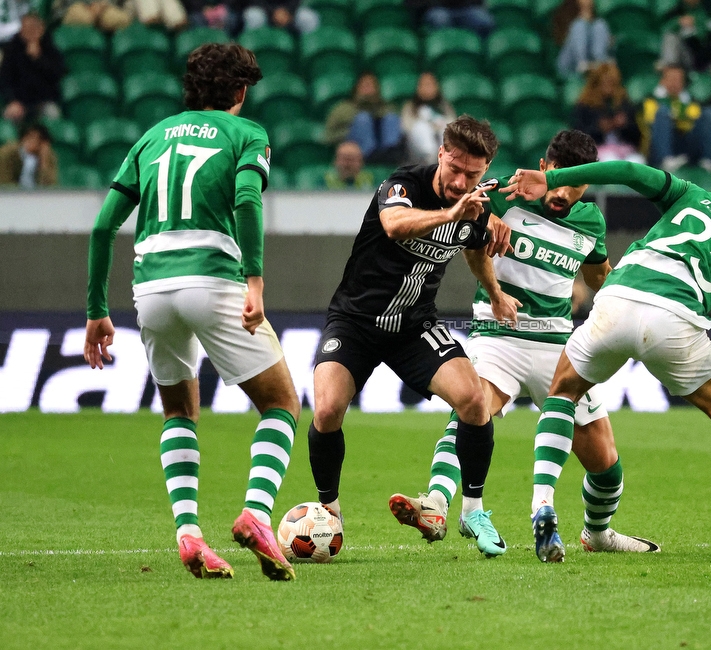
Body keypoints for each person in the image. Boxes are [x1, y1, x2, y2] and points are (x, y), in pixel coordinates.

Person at [503, 161, 711, 563]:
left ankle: (542, 500)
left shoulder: (696, 196)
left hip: (618, 296)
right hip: (674, 321)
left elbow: (628, 171)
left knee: (564, 392)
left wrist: (552, 178)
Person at [84, 43, 302, 581]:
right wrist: (254, 279)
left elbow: (101, 227)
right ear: (239, 92)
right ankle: (256, 513)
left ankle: (188, 533)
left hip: (151, 289)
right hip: (213, 281)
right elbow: (248, 200)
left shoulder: (151, 136)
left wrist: (95, 309)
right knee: (281, 404)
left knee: (179, 411)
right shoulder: (247, 133)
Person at [387, 130, 660, 560]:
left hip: (558, 345)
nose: (565, 191)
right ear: (544, 166)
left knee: (607, 465)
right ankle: (437, 503)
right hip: (500, 337)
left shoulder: (590, 220)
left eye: (578, 183)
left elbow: (596, 274)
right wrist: (479, 220)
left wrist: (622, 284)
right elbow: (454, 213)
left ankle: (598, 533)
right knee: (474, 408)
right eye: (559, 178)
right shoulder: (503, 195)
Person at [307, 116, 516, 559]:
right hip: (355, 320)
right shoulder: (402, 185)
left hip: (414, 325)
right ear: (441, 153)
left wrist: (496, 294)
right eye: (455, 168)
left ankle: (472, 511)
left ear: (485, 169)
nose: (461, 182)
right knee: (326, 409)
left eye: (472, 175)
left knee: (474, 400)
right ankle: (329, 513)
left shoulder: (477, 207)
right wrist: (452, 213)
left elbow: (477, 251)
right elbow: (396, 226)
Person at [642, 63, 711, 173]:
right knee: (662, 113)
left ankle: (707, 160)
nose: (675, 82)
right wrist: (678, 117)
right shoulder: (652, 99)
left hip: (686, 142)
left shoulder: (689, 100)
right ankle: (667, 160)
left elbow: (694, 117)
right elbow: (650, 120)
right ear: (663, 80)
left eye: (678, 79)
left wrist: (678, 117)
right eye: (671, 78)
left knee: (709, 113)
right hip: (663, 143)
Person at [324, 71, 403, 164]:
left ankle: (391, 153)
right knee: (363, 118)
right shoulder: (343, 109)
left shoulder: (387, 108)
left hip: (385, 150)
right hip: (355, 150)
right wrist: (348, 132)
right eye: (364, 85)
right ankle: (370, 154)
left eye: (371, 85)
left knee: (391, 117)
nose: (368, 89)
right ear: (356, 88)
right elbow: (328, 136)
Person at [572, 62, 644, 163]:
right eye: (604, 83)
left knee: (637, 161)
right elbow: (578, 137)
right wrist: (599, 129)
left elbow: (637, 137)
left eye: (612, 83)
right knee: (610, 160)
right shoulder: (585, 106)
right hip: (598, 149)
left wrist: (624, 125)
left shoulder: (624, 104)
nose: (608, 88)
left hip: (625, 149)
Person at [0, 13, 64, 125]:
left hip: (44, 101)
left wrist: (39, 59)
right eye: (25, 28)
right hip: (19, 102)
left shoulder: (50, 48)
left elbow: (57, 74)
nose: (28, 32)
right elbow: (5, 80)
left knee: (52, 114)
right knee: (9, 115)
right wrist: (13, 100)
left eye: (32, 28)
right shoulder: (12, 49)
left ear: (41, 29)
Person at [400, 72, 456, 165]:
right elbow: (406, 128)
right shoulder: (410, 106)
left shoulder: (445, 106)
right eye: (424, 85)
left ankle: (443, 159)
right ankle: (431, 159)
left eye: (430, 84)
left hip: (441, 144)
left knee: (447, 127)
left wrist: (437, 125)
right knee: (421, 127)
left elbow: (454, 126)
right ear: (418, 88)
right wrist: (429, 125)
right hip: (416, 152)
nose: (427, 88)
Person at [658, 0, 711, 73]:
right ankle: (670, 68)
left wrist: (698, 23)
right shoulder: (676, 10)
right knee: (670, 36)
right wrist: (678, 22)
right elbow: (664, 29)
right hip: (688, 57)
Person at [552, 0, 612, 81]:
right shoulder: (565, 12)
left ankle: (600, 63)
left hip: (593, 62)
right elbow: (558, 39)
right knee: (579, 25)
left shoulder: (598, 18)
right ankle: (582, 63)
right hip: (569, 63)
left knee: (600, 25)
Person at [0, 121, 57, 187]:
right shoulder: (7, 153)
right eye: (33, 137)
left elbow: (51, 187)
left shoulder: (48, 156)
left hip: (36, 196)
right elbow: (4, 185)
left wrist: (44, 163)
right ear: (25, 138)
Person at [416, 0, 494, 39]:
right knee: (441, 20)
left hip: (466, 8)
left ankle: (476, 53)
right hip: (438, 8)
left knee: (484, 22)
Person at [241, 0, 318, 35]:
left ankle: (307, 60)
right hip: (264, 11)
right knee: (254, 16)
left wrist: (288, 11)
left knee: (308, 18)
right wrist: (272, 13)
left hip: (288, 12)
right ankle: (251, 58)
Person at [53, 0, 133, 33]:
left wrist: (102, 6)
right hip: (76, 7)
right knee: (83, 16)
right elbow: (57, 8)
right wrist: (88, 8)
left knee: (119, 18)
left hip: (106, 8)